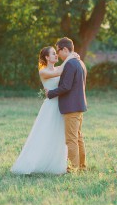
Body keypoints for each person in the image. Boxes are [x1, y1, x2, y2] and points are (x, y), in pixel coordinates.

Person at [11, 46, 78, 175]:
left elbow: (63, 72)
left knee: (59, 135)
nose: (56, 55)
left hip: (61, 105)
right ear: (47, 57)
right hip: (50, 107)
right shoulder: (43, 71)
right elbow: (59, 73)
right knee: (45, 133)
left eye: (55, 53)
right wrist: (69, 57)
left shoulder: (59, 67)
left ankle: (57, 164)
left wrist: (73, 57)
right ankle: (36, 162)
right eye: (53, 54)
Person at [45, 37, 88, 173]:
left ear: (65, 49)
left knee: (71, 139)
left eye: (58, 50)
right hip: (79, 105)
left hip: (71, 107)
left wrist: (50, 93)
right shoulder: (80, 62)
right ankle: (81, 166)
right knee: (78, 138)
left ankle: (73, 168)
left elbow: (66, 86)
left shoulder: (70, 64)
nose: (57, 54)